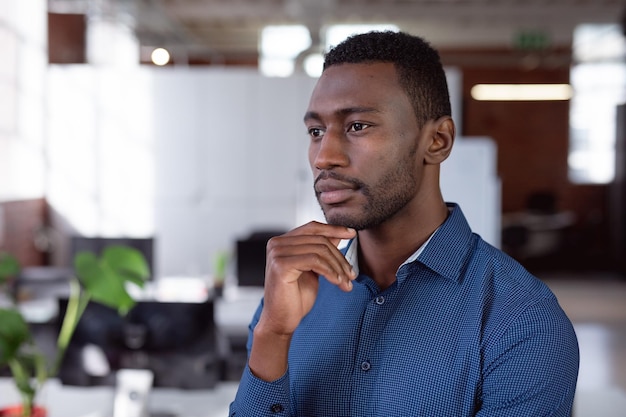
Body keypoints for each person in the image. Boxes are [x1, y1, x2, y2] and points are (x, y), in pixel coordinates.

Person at [229, 31, 579, 416]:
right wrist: (273, 335)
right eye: (316, 132)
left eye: (358, 126)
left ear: (438, 141)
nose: (324, 157)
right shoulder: (290, 300)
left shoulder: (522, 319)